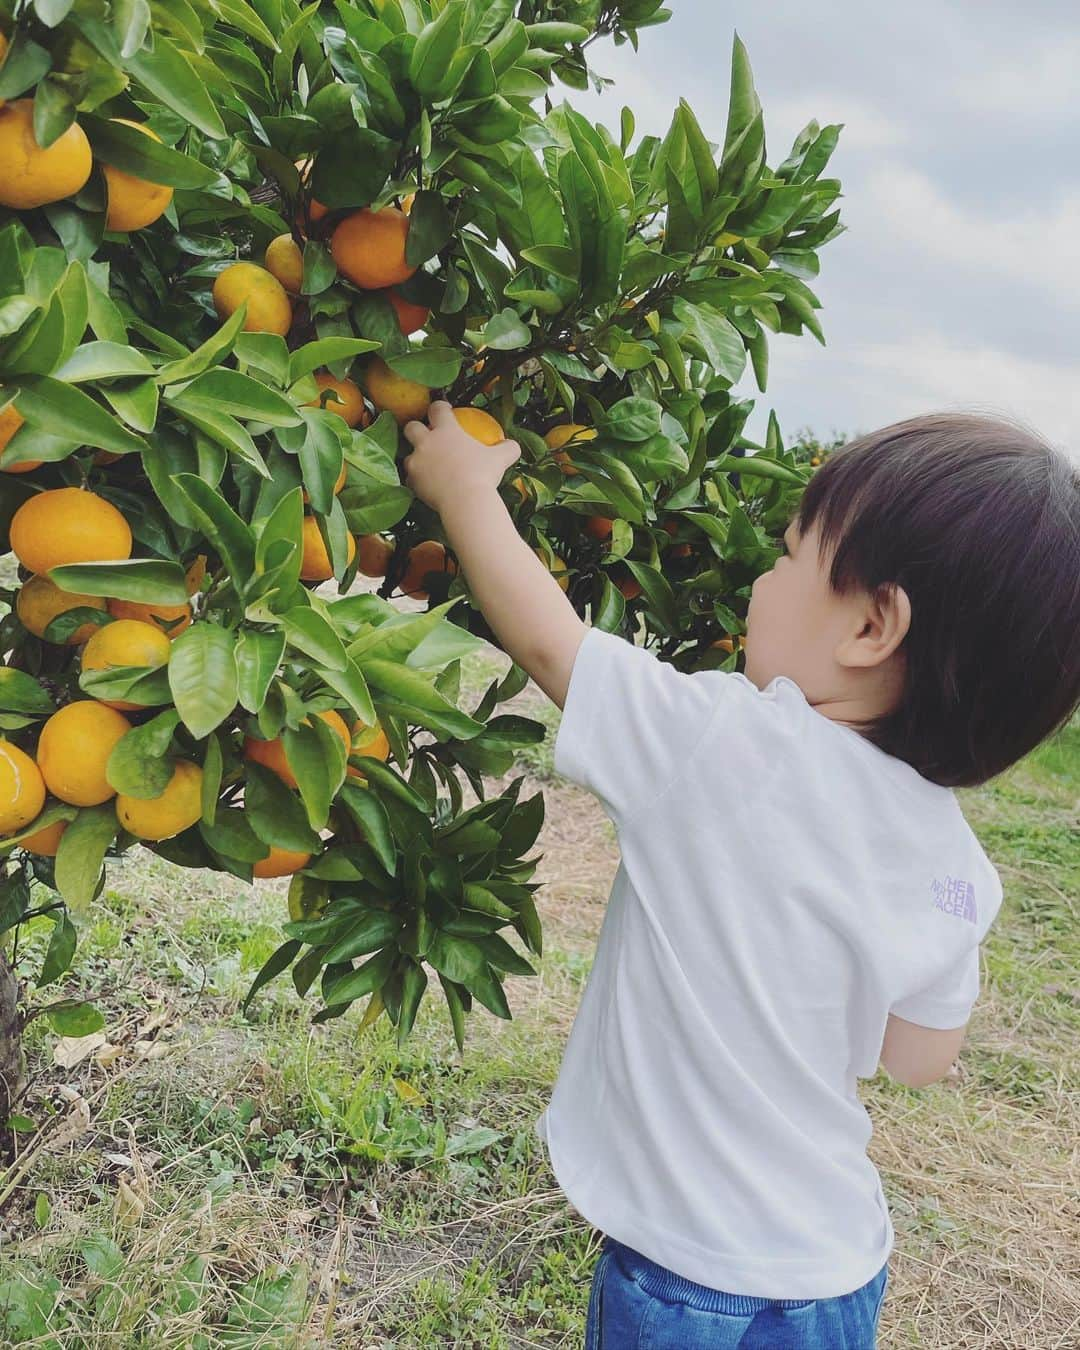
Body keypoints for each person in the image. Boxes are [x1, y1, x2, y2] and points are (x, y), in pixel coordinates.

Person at [402, 404, 1080, 1348]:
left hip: (687, 1268)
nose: (762, 576)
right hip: (837, 1264)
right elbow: (918, 1061)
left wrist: (464, 493)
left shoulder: (724, 743)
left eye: (789, 553)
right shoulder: (959, 868)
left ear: (873, 626)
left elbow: (553, 645)